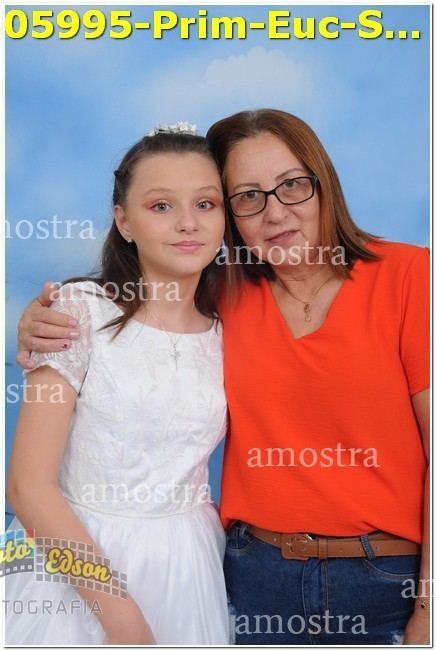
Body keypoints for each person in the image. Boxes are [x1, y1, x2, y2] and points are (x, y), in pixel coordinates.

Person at [16, 109, 430, 645]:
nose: (275, 212)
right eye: (248, 196)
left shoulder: (408, 277)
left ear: (323, 183)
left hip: (371, 576)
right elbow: (29, 482)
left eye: (292, 185)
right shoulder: (222, 296)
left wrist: (429, 607)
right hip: (248, 572)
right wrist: (39, 323)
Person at [6, 125, 231, 645]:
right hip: (72, 561)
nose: (187, 223)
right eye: (160, 206)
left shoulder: (230, 327)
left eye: (205, 203)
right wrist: (122, 618)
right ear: (123, 220)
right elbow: (26, 487)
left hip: (187, 564)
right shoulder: (77, 311)